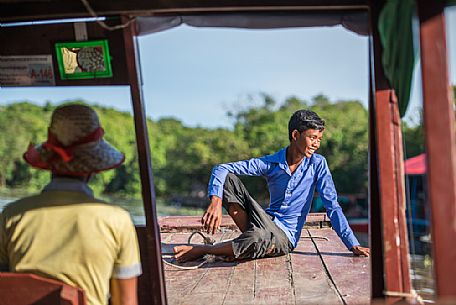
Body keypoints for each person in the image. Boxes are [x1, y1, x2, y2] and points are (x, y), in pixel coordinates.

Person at [174, 109, 370, 261]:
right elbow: (221, 168)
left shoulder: (318, 164)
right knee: (228, 178)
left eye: (319, 139)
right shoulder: (271, 163)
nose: (316, 144)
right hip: (264, 221)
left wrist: (352, 244)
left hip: (285, 237)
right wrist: (215, 202)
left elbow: (333, 206)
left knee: (258, 237)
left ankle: (204, 250)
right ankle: (245, 246)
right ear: (295, 135)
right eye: (312, 137)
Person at [0, 105, 142, 305]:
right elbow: (126, 302)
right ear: (94, 168)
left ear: (50, 162)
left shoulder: (12, 214)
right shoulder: (117, 220)